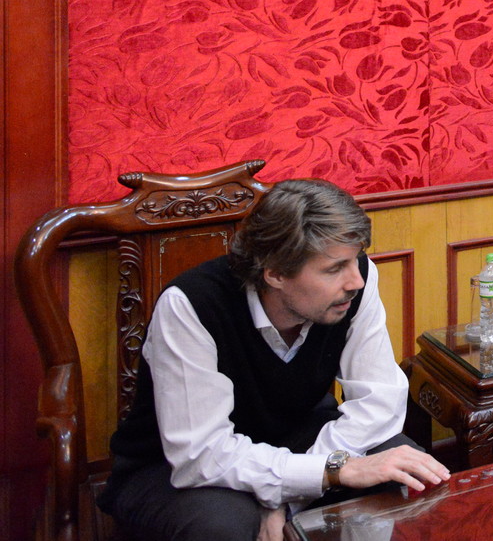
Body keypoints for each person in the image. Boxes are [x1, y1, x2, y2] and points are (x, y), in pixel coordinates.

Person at [99, 179, 448, 541]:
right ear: (276, 273)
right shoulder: (191, 306)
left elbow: (378, 398)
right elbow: (201, 455)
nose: (356, 280)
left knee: (409, 471)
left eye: (355, 260)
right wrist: (328, 473)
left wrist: (301, 485)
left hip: (301, 438)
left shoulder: (354, 281)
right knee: (227, 526)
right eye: (333, 269)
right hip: (173, 467)